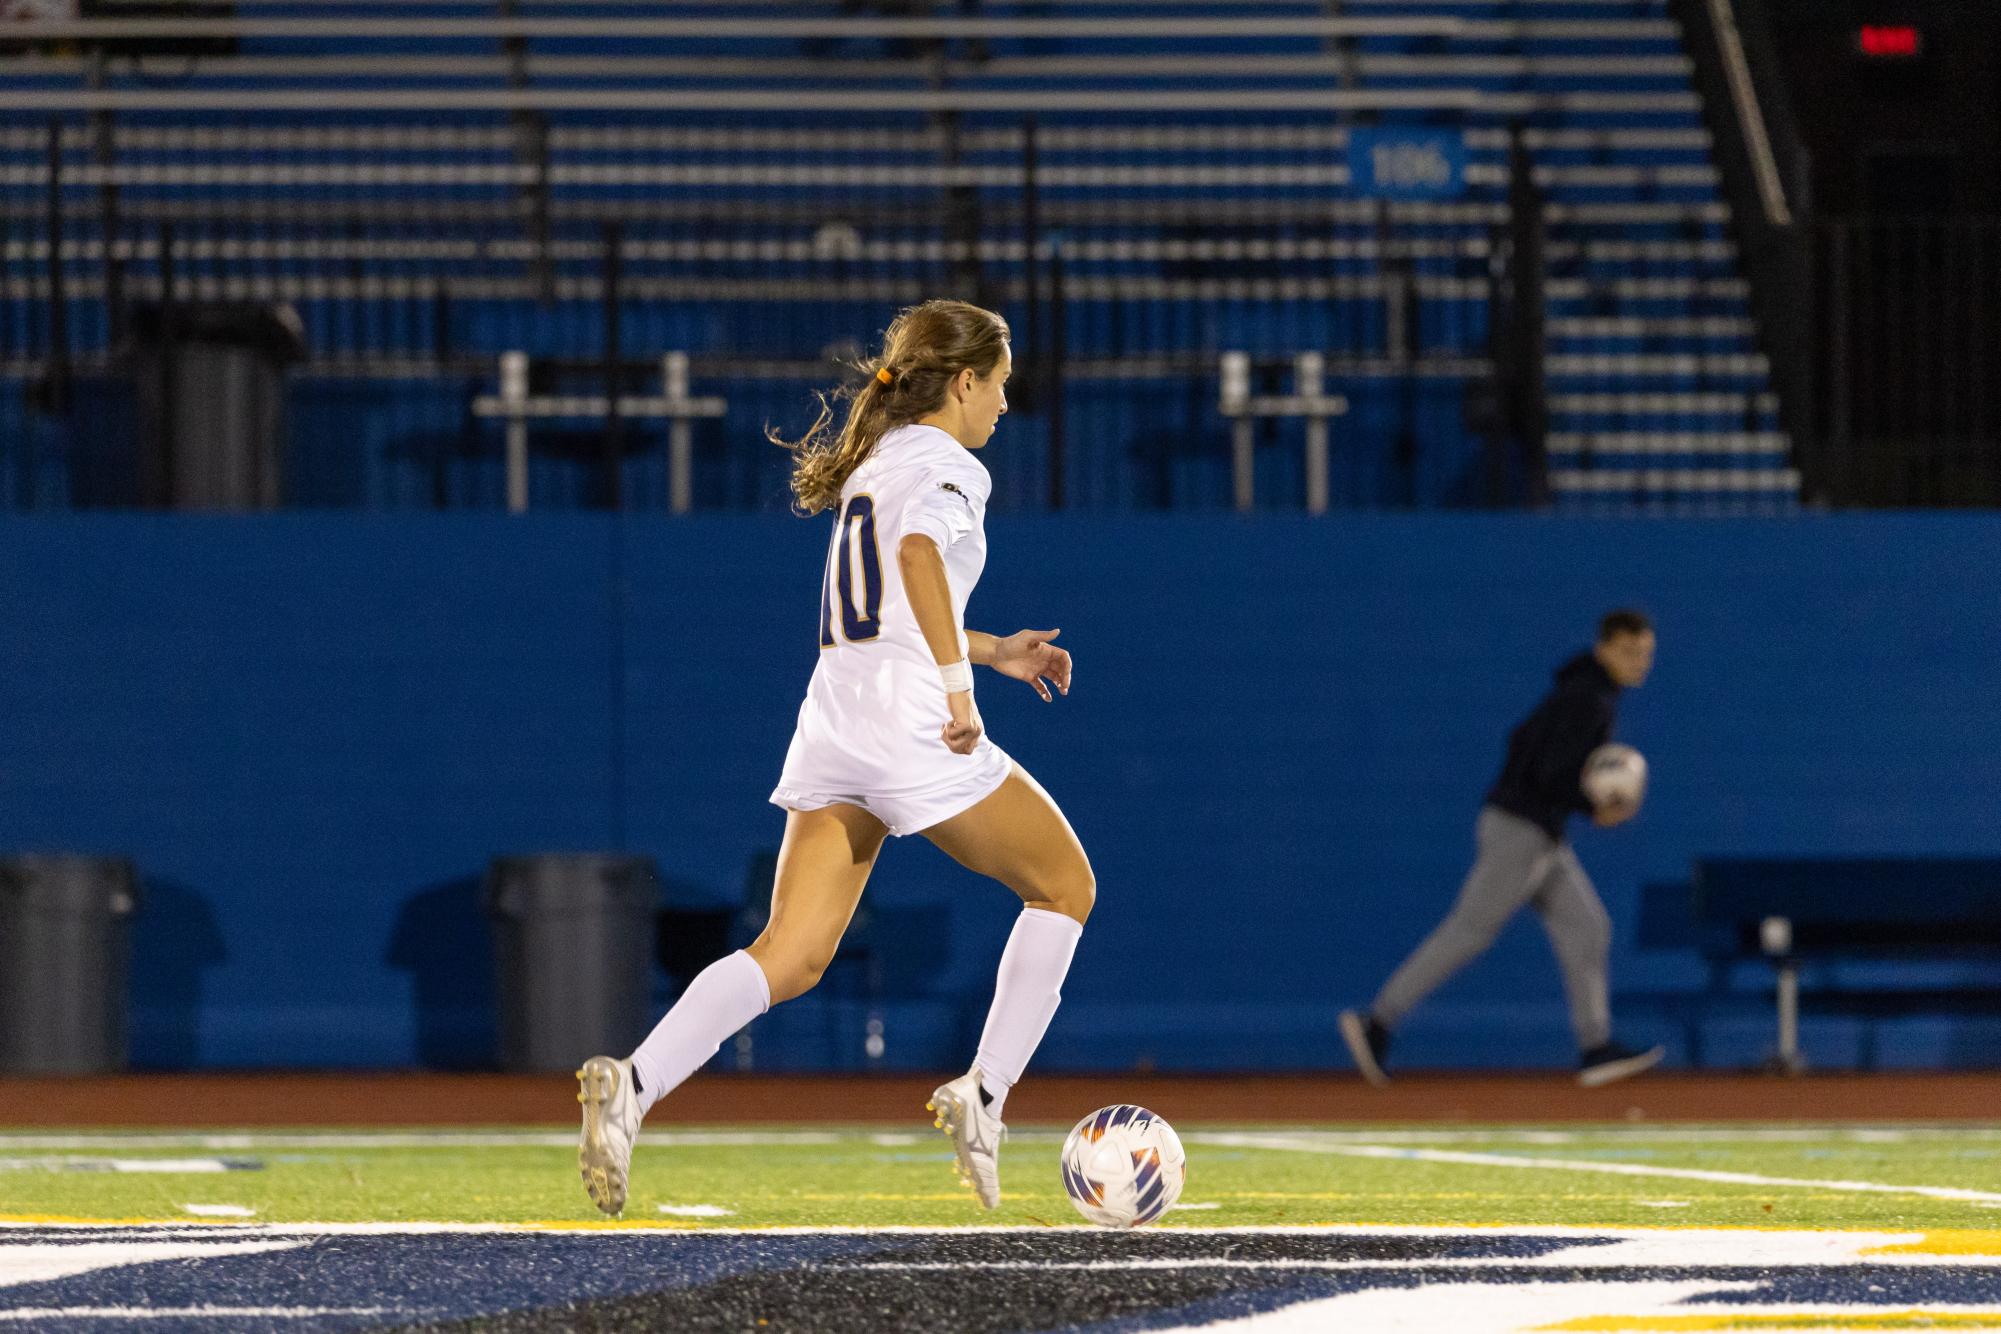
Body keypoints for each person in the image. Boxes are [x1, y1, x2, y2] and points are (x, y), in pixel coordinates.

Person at [576, 300, 1094, 1216]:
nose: (1006, 406)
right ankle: (985, 1095)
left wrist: (991, 650)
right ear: (965, 381)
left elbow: (886, 603)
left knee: (790, 954)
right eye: (1002, 385)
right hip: (907, 722)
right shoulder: (947, 464)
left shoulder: (880, 460)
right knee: (1064, 887)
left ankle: (635, 1084)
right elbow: (920, 558)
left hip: (834, 717)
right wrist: (960, 693)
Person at [1339, 610, 1664, 1089]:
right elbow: (1551, 772)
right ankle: (1378, 1022)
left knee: (1588, 927)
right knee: (1470, 930)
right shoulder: (1587, 698)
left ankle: (1596, 1048)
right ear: (1604, 648)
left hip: (1538, 831)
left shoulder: (1584, 692)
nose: (1639, 662)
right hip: (1522, 830)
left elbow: (1524, 745)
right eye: (1629, 651)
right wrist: (1595, 807)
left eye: (1646, 653)